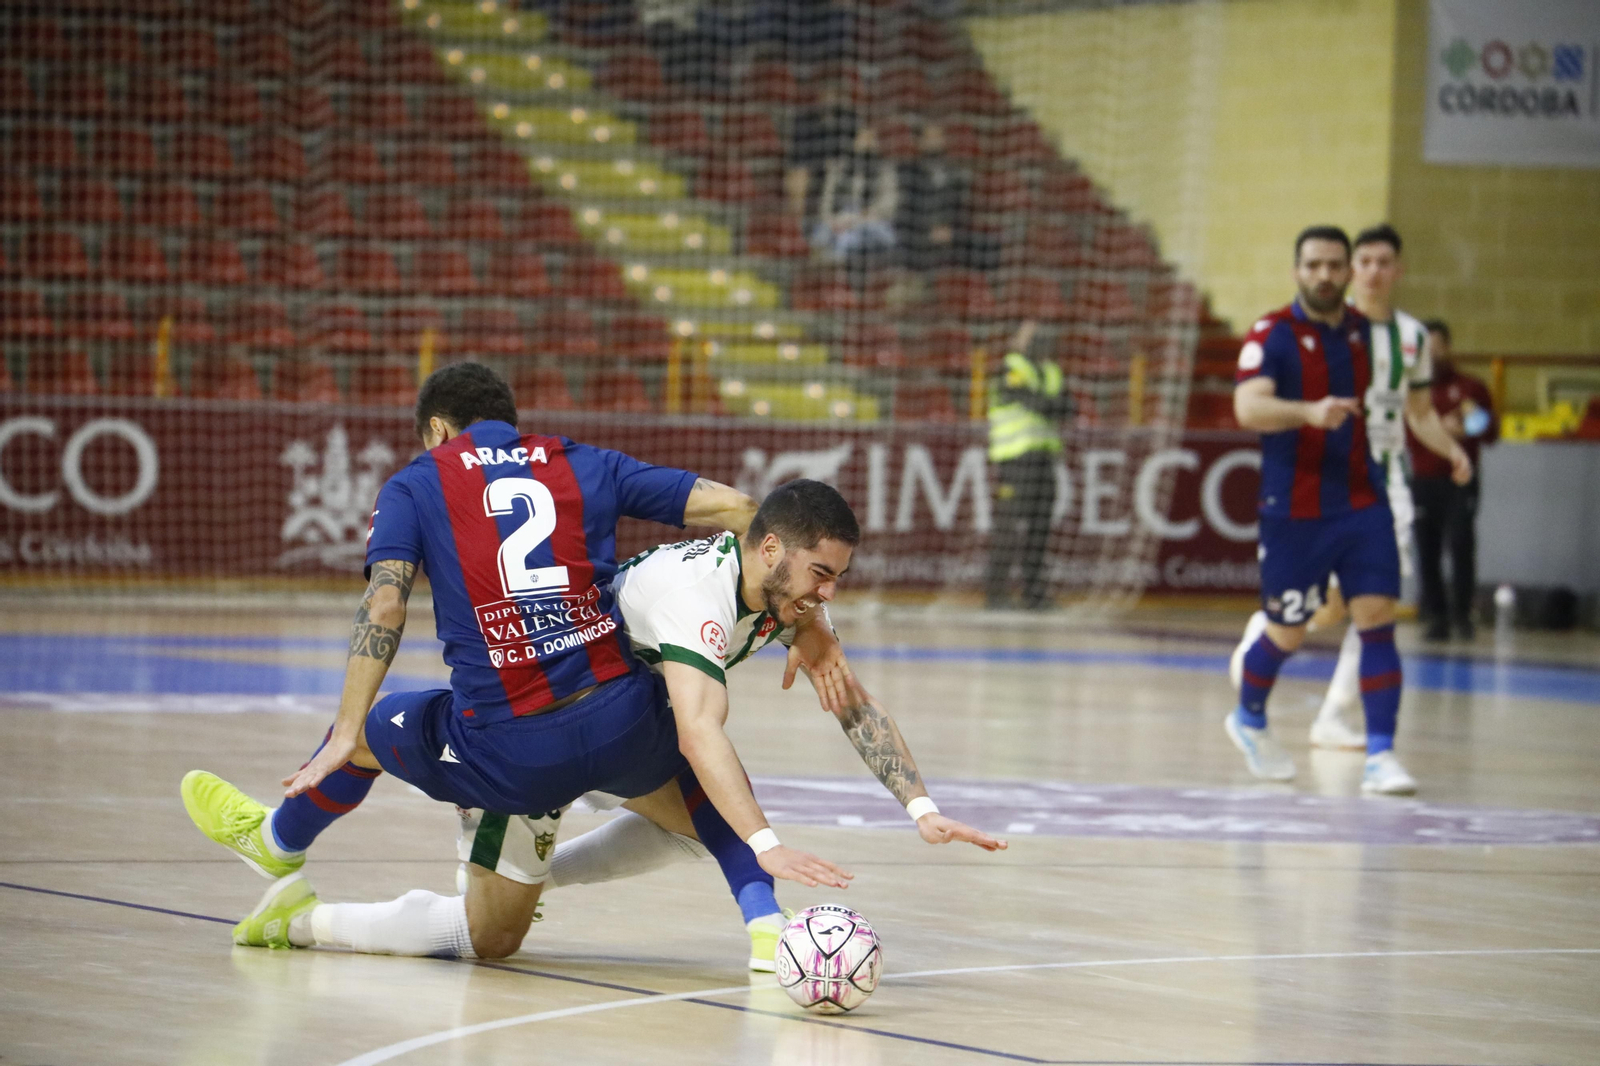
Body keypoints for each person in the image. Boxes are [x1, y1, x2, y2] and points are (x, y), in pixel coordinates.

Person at [180, 363, 849, 960]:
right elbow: (744, 512)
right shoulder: (580, 461)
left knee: (377, 731)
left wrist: (349, 731)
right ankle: (766, 927)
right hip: (622, 726)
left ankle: (278, 842)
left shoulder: (419, 482)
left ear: (437, 431)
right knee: (695, 777)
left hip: (508, 751)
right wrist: (808, 619)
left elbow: (385, 606)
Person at [545, 479, 1004, 969]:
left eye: (837, 578)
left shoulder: (783, 592)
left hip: (621, 715)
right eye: (821, 573)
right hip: (556, 716)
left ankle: (533, 880)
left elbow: (854, 705)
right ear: (770, 548)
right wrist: (768, 845)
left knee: (695, 829)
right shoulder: (697, 594)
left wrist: (921, 809)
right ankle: (766, 928)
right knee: (711, 777)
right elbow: (698, 733)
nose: (827, 593)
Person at [1227, 226, 1471, 796]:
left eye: (1335, 266)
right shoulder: (1273, 332)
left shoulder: (1376, 337)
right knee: (1290, 631)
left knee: (1377, 619)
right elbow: (1246, 407)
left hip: (1366, 499)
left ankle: (1381, 753)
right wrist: (1308, 413)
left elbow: (1414, 406)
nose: (1326, 276)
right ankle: (1249, 717)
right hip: (1294, 505)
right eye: (1314, 265)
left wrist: (1452, 448)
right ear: (1297, 271)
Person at [1410, 319, 1498, 640]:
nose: (1433, 354)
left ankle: (1462, 614)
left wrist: (1464, 427)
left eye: (1437, 347)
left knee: (1460, 544)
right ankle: (1436, 616)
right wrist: (1434, 429)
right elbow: (1407, 430)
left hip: (1460, 481)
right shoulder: (1415, 392)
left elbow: (1490, 432)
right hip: (1423, 480)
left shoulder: (1470, 388)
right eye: (1426, 349)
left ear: (1448, 346)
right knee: (1426, 549)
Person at [984, 320, 1067, 610]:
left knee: (1040, 528)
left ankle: (1034, 592)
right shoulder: (1011, 367)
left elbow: (1067, 407)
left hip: (1044, 458)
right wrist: (1048, 404)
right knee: (1008, 526)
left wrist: (1047, 404)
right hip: (1015, 459)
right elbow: (1036, 403)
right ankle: (996, 593)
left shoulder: (1051, 371)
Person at [810, 125, 899, 263]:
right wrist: (833, 220)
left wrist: (866, 214)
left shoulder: (884, 170)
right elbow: (827, 201)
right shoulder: (839, 169)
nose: (867, 143)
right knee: (823, 235)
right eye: (863, 138)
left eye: (871, 139)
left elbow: (889, 202)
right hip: (841, 219)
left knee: (883, 236)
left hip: (870, 222)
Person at [897, 119, 965, 272]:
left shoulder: (955, 174)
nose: (935, 141)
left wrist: (950, 230)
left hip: (949, 235)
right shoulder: (908, 172)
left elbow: (959, 209)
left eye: (938, 137)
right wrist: (929, 231)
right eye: (930, 137)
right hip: (917, 236)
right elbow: (906, 210)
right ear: (920, 141)